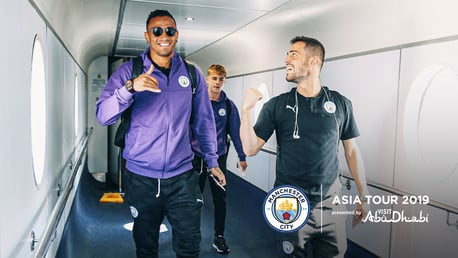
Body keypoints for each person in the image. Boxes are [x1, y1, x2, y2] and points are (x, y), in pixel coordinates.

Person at [95, 9, 226, 258]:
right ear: (147, 36)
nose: (163, 35)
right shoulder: (128, 72)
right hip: (141, 178)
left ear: (176, 36)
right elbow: (103, 115)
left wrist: (212, 161)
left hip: (182, 178)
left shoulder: (192, 74)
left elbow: (204, 121)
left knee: (189, 246)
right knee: (146, 247)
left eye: (169, 30)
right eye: (157, 31)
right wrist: (130, 89)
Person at [239, 36, 369, 258]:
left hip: (331, 203)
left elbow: (352, 151)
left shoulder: (340, 104)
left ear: (313, 62)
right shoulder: (276, 106)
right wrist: (245, 110)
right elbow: (250, 149)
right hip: (289, 201)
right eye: (287, 54)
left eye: (293, 54)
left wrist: (364, 194)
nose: (285, 59)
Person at [191, 64, 248, 253]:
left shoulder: (229, 106)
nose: (217, 82)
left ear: (224, 81)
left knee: (220, 200)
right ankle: (191, 235)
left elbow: (236, 132)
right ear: (207, 80)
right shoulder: (196, 102)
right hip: (196, 158)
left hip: (219, 158)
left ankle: (219, 237)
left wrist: (242, 156)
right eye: (214, 78)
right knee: (193, 199)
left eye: (221, 79)